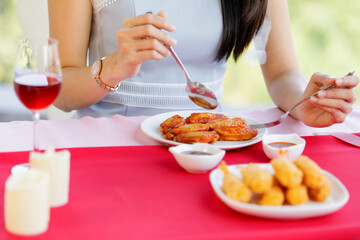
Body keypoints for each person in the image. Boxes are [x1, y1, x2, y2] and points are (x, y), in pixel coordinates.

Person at [48, 0, 359, 127]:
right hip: (107, 147)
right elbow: (60, 92)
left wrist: (303, 101)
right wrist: (111, 67)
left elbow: (282, 73)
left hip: (208, 148)